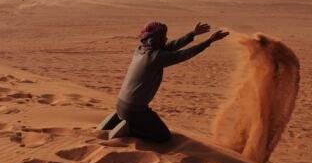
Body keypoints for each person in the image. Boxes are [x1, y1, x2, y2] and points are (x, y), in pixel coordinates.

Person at [97, 21, 229, 142]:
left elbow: (170, 47)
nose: (166, 39)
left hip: (120, 105)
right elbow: (185, 54)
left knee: (143, 121)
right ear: (155, 39)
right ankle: (130, 130)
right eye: (163, 37)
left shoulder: (140, 50)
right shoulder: (156, 58)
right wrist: (209, 41)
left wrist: (192, 34)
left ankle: (117, 120)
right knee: (163, 136)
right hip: (135, 110)